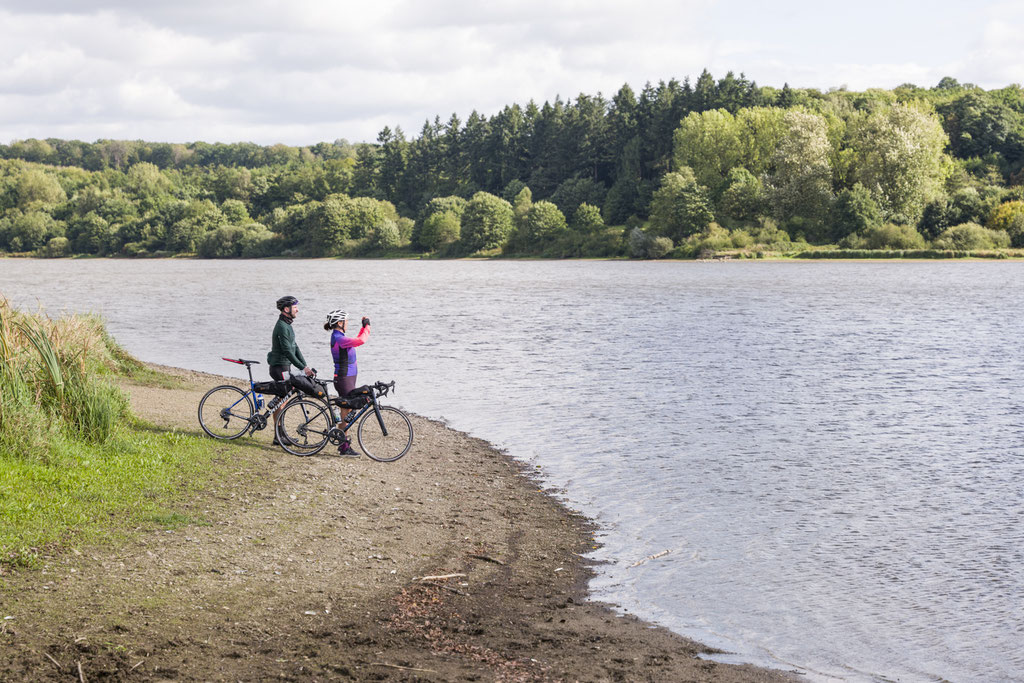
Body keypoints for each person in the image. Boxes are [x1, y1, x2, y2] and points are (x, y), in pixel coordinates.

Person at [267, 295, 314, 445]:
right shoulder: (282, 326)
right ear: (286, 309)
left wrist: (305, 366)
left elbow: (295, 347)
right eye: (295, 307)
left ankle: (280, 436)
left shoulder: (287, 325)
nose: (297, 310)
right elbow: (287, 351)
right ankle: (279, 436)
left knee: (282, 401)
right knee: (281, 402)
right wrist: (302, 367)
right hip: (279, 367)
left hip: (284, 366)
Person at [324, 309, 370, 456]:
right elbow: (361, 340)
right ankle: (344, 446)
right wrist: (367, 326)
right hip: (344, 379)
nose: (347, 323)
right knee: (346, 411)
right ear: (340, 323)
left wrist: (363, 328)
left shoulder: (340, 337)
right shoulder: (338, 338)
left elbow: (356, 340)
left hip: (347, 378)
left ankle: (343, 443)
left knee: (347, 410)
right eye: (346, 321)